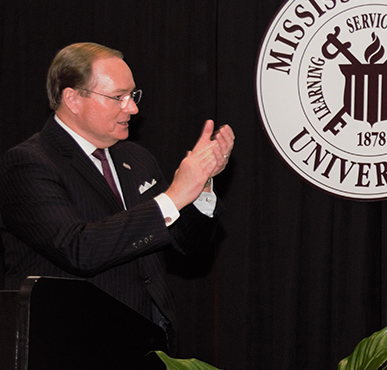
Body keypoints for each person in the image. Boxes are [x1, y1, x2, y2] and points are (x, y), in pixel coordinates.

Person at [0, 42, 235, 349]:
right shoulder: (29, 164)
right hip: (69, 351)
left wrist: (201, 187)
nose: (133, 108)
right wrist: (175, 195)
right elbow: (78, 249)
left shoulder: (136, 159)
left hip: (146, 345)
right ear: (72, 98)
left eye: (133, 95)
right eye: (118, 97)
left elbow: (187, 247)